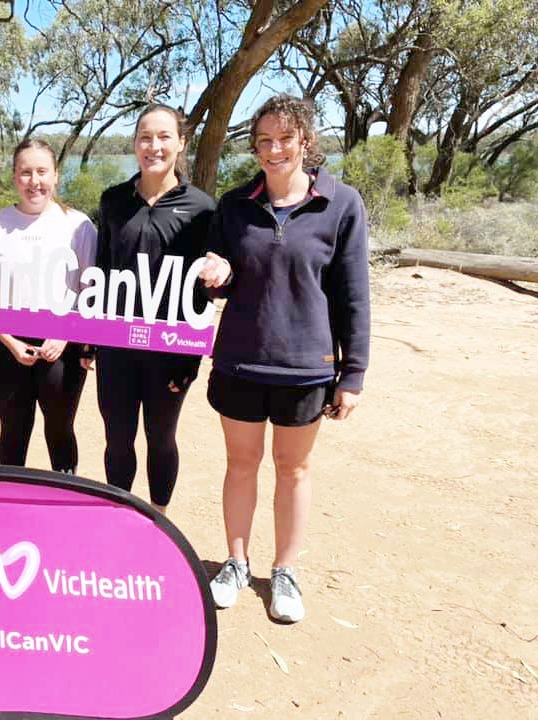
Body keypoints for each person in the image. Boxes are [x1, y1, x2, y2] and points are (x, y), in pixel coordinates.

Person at [199, 94, 370, 623]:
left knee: (293, 469)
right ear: (255, 145)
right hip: (240, 361)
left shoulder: (340, 204)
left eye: (286, 139)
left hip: (307, 366)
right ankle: (234, 561)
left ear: (305, 141)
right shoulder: (233, 206)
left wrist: (353, 373)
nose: (275, 150)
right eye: (265, 140)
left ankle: (285, 571)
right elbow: (216, 285)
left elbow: (352, 293)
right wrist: (213, 276)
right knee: (241, 465)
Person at [85, 104, 215, 513]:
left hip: (169, 350)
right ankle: (120, 516)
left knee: (161, 438)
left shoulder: (203, 209)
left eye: (163, 137)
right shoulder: (113, 201)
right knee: (118, 438)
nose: (153, 146)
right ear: (135, 143)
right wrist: (91, 341)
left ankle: (159, 521)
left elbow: (202, 293)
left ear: (181, 143)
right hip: (115, 347)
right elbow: (101, 271)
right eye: (145, 137)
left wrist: (189, 358)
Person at [0, 139, 97, 473]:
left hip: (63, 346)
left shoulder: (79, 225)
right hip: (6, 348)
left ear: (56, 175)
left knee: (60, 430)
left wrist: (65, 335)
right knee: (13, 432)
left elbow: (90, 291)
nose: (34, 181)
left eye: (42, 171)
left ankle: (66, 500)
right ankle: (11, 506)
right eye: (25, 172)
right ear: (14, 177)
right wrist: (11, 343)